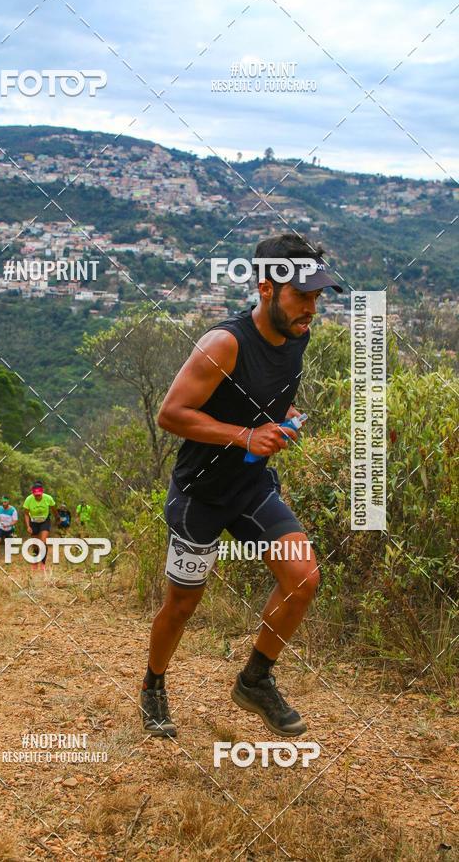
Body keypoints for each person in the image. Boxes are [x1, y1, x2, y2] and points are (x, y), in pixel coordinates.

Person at [140, 233, 343, 739]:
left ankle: (255, 680)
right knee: (183, 603)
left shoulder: (298, 336)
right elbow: (171, 414)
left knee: (304, 577)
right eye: (302, 297)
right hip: (200, 494)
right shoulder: (224, 343)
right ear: (267, 288)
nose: (311, 310)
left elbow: (269, 399)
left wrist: (284, 418)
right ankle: (153, 684)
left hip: (251, 487)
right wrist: (246, 435)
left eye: (317, 298)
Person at [23, 481, 59, 569]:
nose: (38, 496)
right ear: (33, 493)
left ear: (42, 492)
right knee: (35, 543)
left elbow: (54, 509)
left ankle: (43, 563)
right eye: (36, 495)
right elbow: (26, 514)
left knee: (43, 542)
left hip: (44, 521)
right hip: (33, 522)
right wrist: (28, 526)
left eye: (39, 494)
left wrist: (57, 518)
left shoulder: (48, 498)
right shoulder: (28, 500)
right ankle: (35, 561)